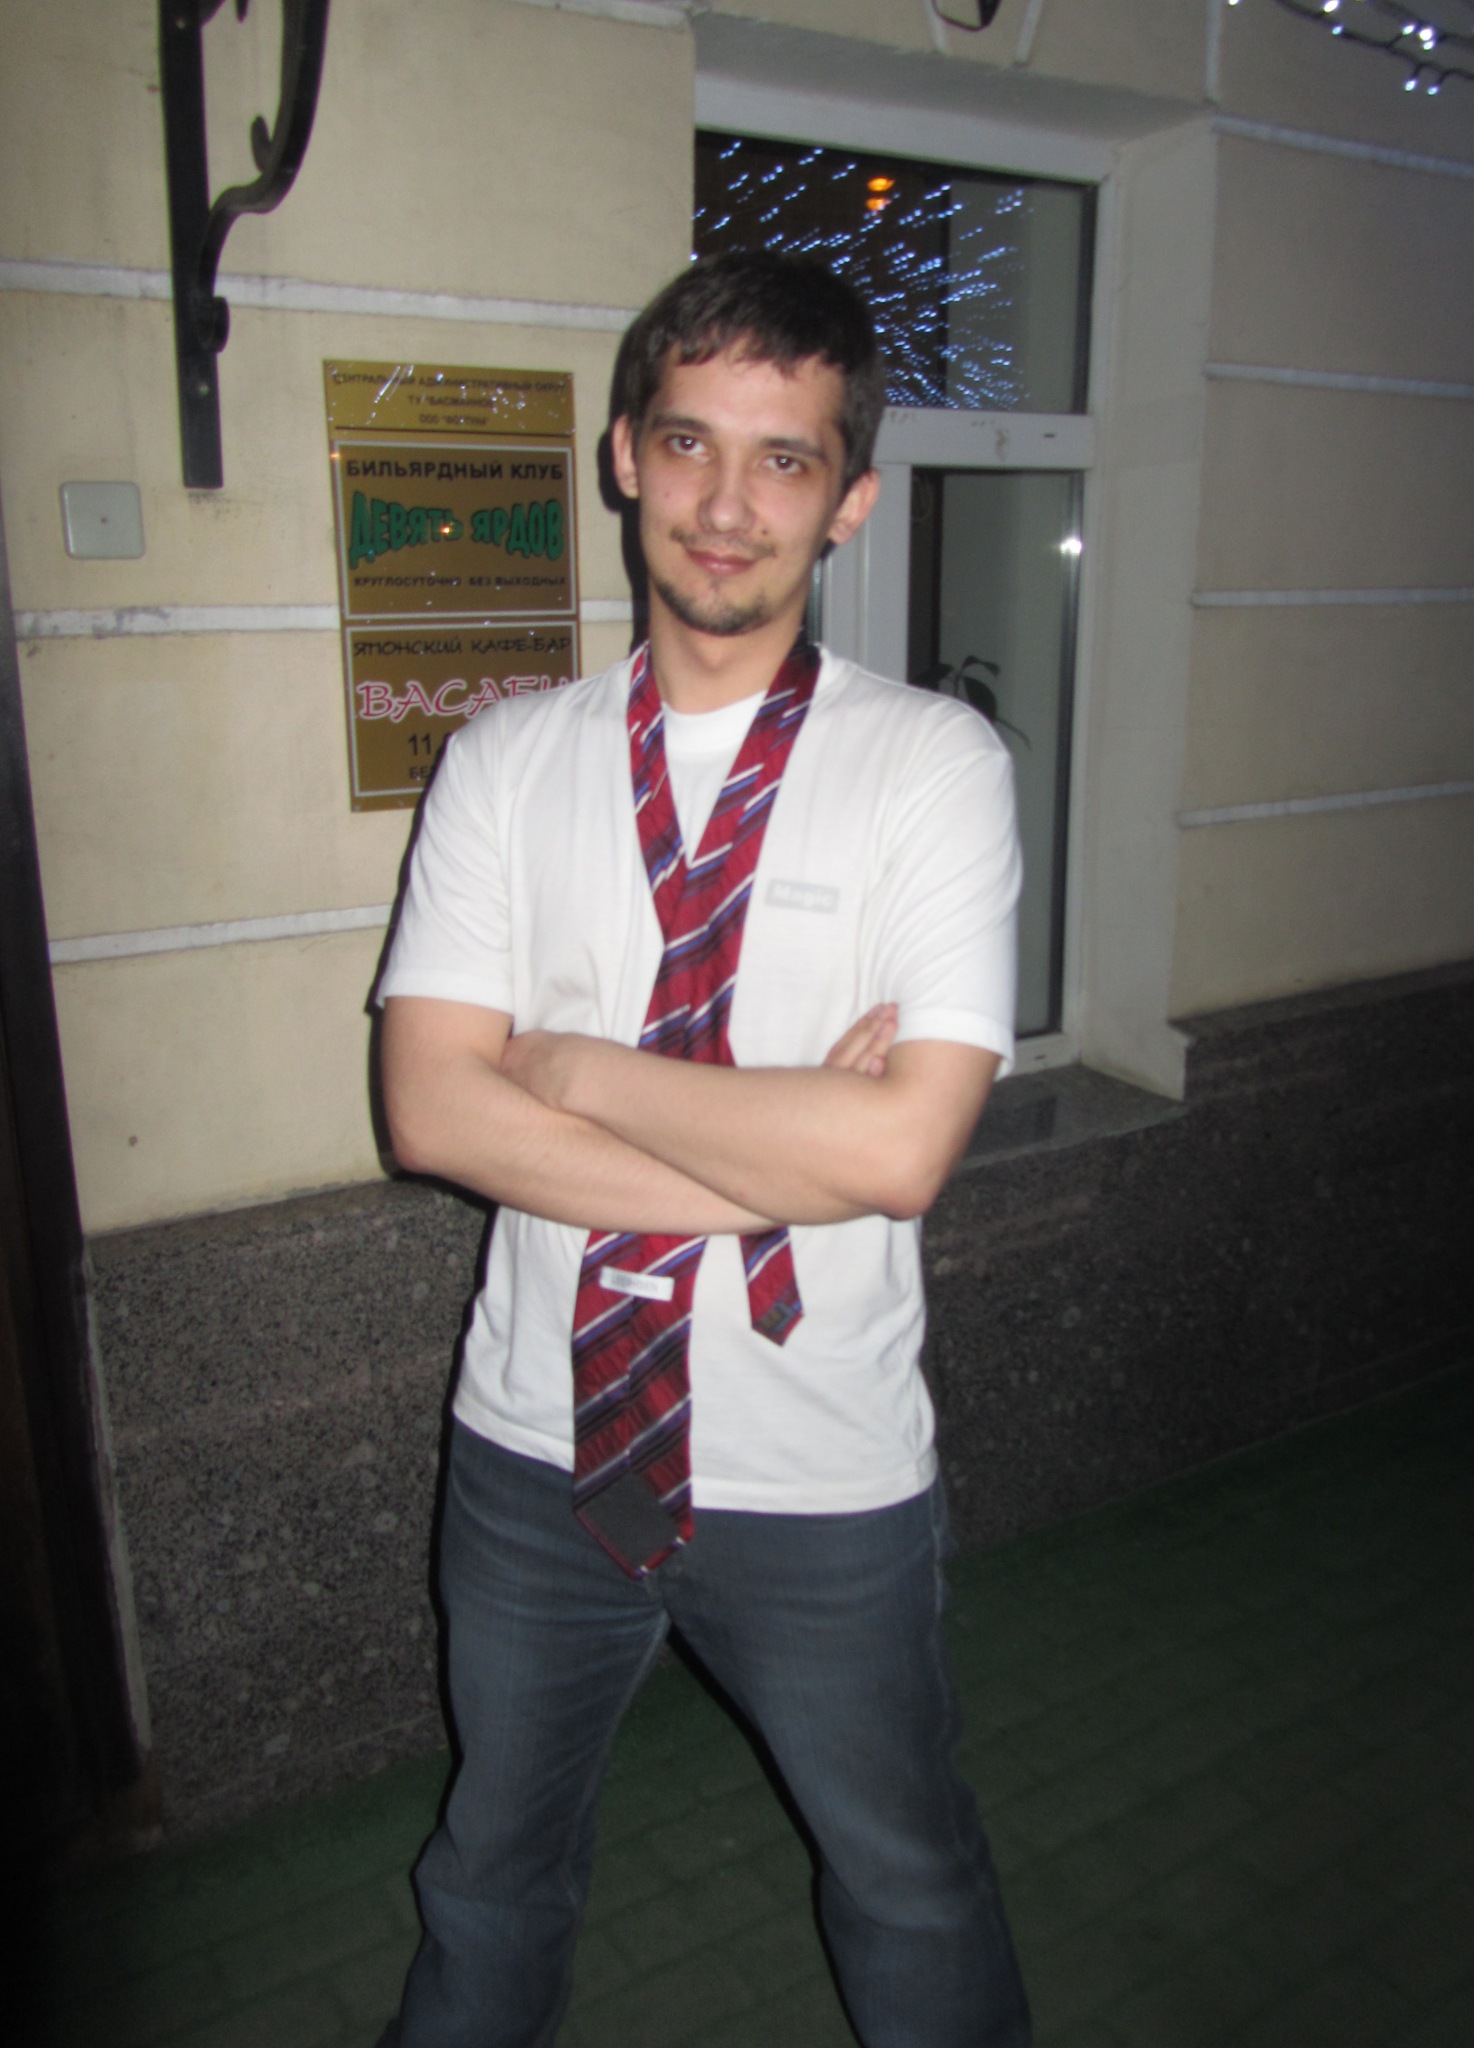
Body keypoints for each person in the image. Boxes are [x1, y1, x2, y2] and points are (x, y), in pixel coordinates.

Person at [375, 250, 1030, 2048]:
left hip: (819, 1472)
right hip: (535, 1453)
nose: (728, 504)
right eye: (688, 443)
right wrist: (782, 1150)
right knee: (488, 1877)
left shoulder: (931, 769)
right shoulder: (503, 764)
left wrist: (573, 1070)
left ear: (850, 497)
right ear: (622, 457)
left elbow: (903, 1157)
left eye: (784, 458)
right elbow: (431, 1111)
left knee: (907, 1877)